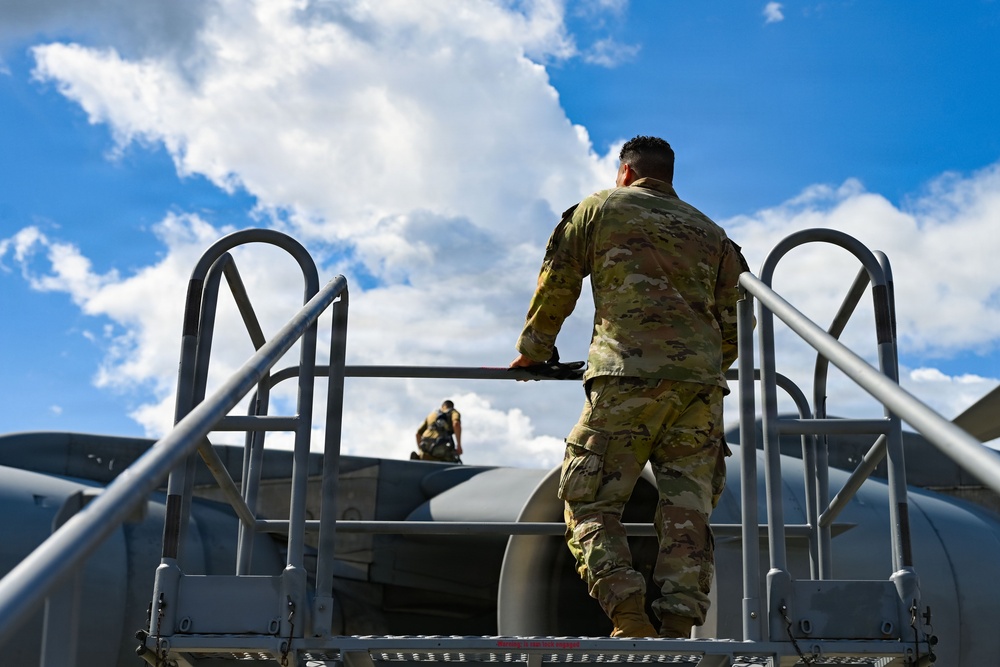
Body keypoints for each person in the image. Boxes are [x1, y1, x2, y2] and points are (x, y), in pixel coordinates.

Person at [509, 135, 747, 639]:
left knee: (589, 500)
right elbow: (737, 325)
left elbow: (559, 281)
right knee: (687, 512)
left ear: (625, 173)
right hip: (700, 389)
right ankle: (680, 624)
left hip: (625, 379)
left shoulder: (600, 209)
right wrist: (702, 363)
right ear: (668, 176)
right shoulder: (713, 233)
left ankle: (630, 615)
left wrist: (534, 350)